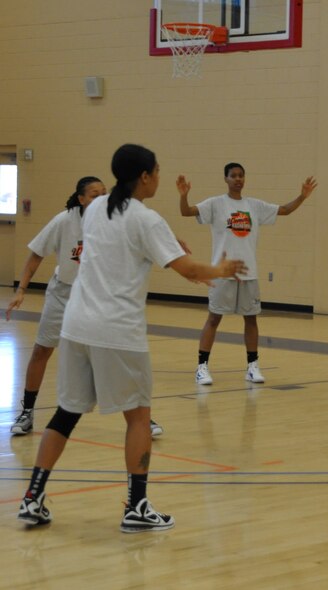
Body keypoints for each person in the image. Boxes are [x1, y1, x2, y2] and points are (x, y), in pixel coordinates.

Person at [17, 144, 246, 532]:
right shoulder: (145, 218)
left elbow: (167, 259)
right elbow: (183, 265)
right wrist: (218, 269)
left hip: (76, 327)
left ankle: (32, 497)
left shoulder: (94, 209)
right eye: (157, 171)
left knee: (65, 413)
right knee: (139, 416)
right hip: (117, 330)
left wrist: (190, 266)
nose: (158, 176)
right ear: (144, 176)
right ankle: (137, 506)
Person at [5, 178, 165, 439]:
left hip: (99, 296)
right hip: (63, 292)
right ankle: (27, 412)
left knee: (119, 355)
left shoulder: (115, 219)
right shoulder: (64, 221)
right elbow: (36, 253)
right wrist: (21, 290)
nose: (100, 199)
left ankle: (141, 417)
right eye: (94, 195)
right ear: (81, 199)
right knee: (42, 350)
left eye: (104, 194)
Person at [179, 163, 317, 385]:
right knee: (214, 318)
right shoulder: (215, 204)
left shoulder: (254, 205)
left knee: (251, 319)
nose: (237, 179)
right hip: (222, 273)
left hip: (249, 273)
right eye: (233, 175)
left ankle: (252, 367)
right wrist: (184, 196)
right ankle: (202, 367)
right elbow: (186, 212)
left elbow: (285, 209)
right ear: (225, 179)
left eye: (241, 175)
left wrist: (302, 196)